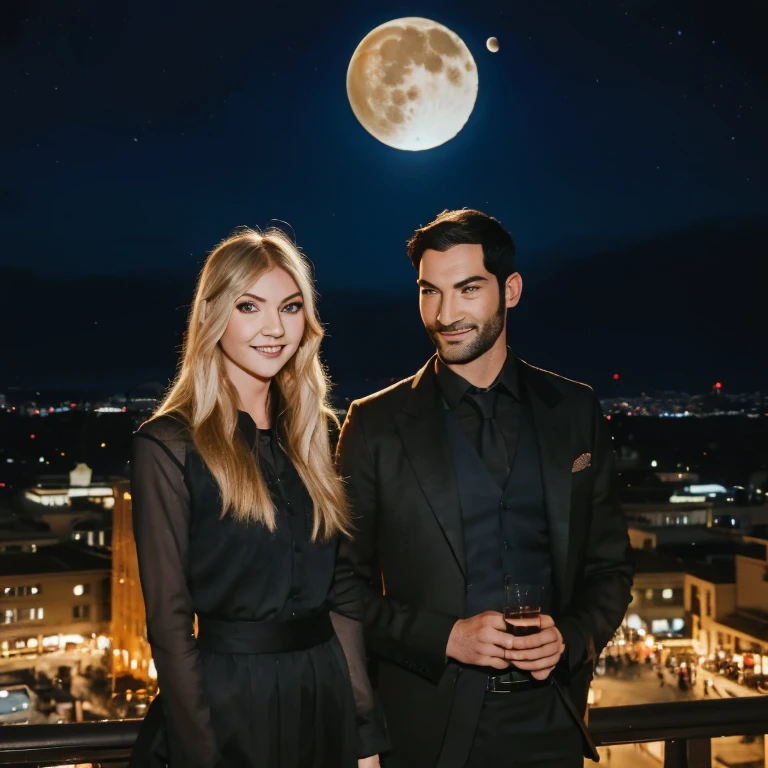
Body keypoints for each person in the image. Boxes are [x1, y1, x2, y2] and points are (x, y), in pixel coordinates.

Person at [334, 209, 633, 767]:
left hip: (552, 724)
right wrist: (444, 637)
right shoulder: (373, 424)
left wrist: (569, 636)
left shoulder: (575, 411)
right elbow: (340, 587)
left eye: (467, 289)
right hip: (424, 731)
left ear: (510, 290)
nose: (445, 314)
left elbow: (610, 569)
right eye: (430, 292)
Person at [129, 228, 387, 768]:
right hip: (227, 711)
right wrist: (201, 755)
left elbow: (340, 600)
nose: (274, 328)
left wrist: (365, 735)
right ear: (213, 314)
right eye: (250, 306)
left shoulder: (314, 438)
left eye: (290, 307)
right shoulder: (167, 447)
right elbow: (170, 626)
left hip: (324, 703)